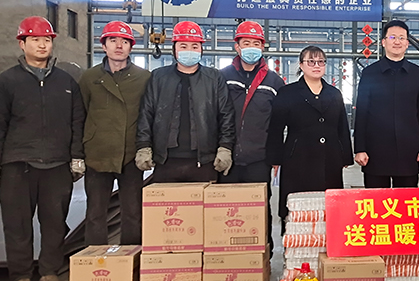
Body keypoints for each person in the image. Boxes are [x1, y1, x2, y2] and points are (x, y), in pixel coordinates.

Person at [0, 17, 85, 281]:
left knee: (54, 223)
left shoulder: (66, 82)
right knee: (17, 224)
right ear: (22, 44)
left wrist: (76, 156)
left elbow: (77, 121)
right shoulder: (7, 81)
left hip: (57, 164)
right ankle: (21, 276)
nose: (41, 45)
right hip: (17, 164)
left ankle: (49, 272)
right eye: (35, 39)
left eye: (46, 40)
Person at [135, 20, 235, 182]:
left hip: (204, 161)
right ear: (174, 49)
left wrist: (225, 147)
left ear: (201, 49)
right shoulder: (159, 77)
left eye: (195, 46)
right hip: (166, 160)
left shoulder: (214, 78)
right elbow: (146, 114)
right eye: (183, 46)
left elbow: (226, 116)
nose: (189, 50)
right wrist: (143, 146)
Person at [79, 21, 150, 246]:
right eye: (113, 40)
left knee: (132, 213)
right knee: (95, 214)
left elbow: (150, 115)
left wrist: (147, 148)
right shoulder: (89, 78)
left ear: (131, 47)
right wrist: (77, 154)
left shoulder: (144, 78)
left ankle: (130, 259)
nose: (119, 46)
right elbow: (80, 115)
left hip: (130, 155)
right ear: (104, 46)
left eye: (124, 41)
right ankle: (94, 258)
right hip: (97, 155)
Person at [267, 46, 353, 230]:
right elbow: (275, 128)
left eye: (321, 62)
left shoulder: (334, 93)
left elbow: (342, 127)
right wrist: (275, 159)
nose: (316, 66)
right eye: (311, 62)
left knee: (328, 206)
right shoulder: (287, 93)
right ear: (301, 65)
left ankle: (328, 240)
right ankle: (294, 239)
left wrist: (346, 156)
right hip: (298, 158)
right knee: (298, 205)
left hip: (330, 158)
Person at [220, 21, 284, 255]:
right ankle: (227, 255)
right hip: (227, 158)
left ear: (262, 47)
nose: (251, 48)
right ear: (237, 46)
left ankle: (263, 255)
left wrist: (275, 157)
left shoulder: (274, 81)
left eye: (256, 43)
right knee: (227, 210)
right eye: (246, 43)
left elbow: (279, 124)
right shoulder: (222, 77)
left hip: (259, 158)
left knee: (259, 208)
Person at [353, 20, 419, 188]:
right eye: (392, 37)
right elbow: (362, 113)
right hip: (375, 150)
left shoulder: (417, 74)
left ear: (407, 43)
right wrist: (360, 148)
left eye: (402, 38)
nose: (397, 42)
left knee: (406, 200)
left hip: (408, 150)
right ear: (383, 42)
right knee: (376, 200)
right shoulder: (370, 73)